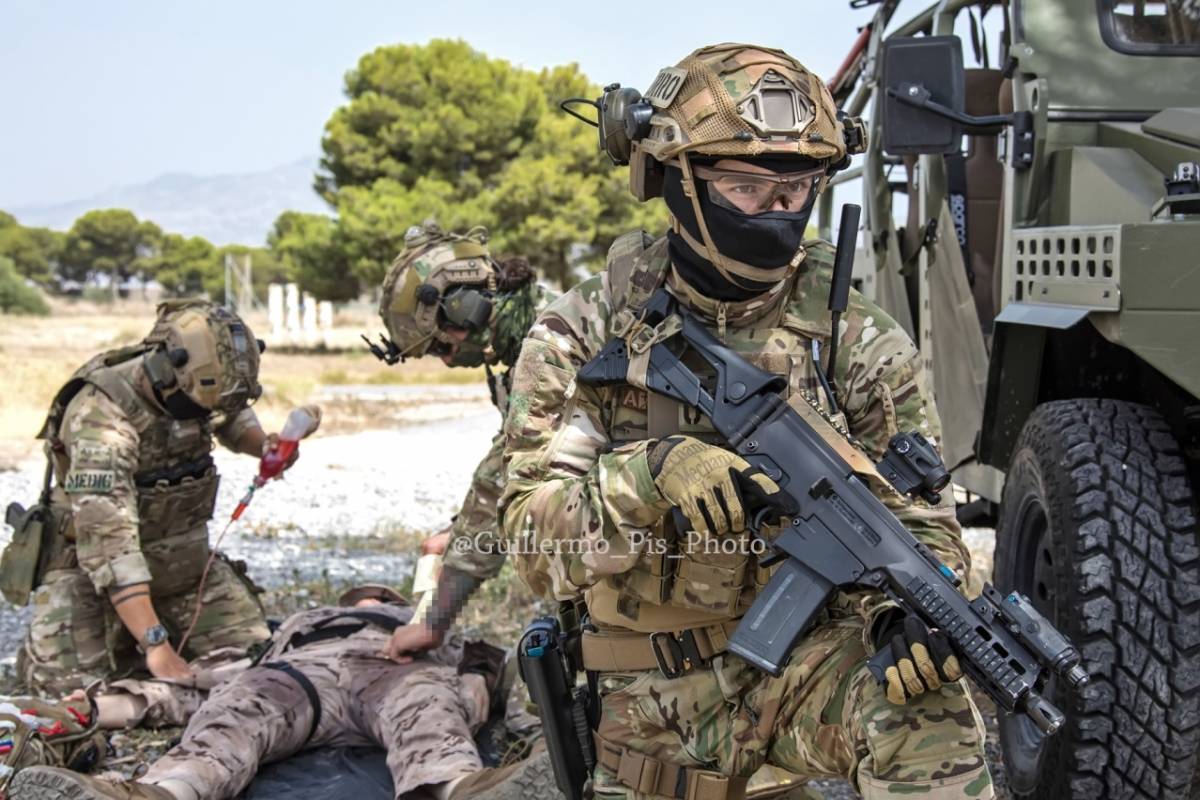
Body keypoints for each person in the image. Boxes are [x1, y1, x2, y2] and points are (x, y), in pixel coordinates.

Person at [499, 44, 992, 799]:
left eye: (796, 190)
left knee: (928, 714)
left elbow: (926, 525)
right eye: (746, 187)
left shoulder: (855, 338)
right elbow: (530, 548)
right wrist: (652, 474)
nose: (776, 212)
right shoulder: (586, 330)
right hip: (647, 692)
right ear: (676, 180)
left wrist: (906, 619)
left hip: (805, 671)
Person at [15, 299, 320, 694]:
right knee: (75, 692)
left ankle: (142, 636)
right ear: (167, 370)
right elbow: (112, 547)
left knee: (257, 661)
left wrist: (264, 446)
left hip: (183, 569)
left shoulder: (199, 387)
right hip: (90, 578)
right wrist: (155, 644)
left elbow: (229, 415)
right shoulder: (102, 416)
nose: (204, 413)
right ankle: (117, 638)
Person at [12, 585, 555, 800]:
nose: (369, 599)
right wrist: (99, 707)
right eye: (363, 596)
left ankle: (465, 790)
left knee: (427, 710)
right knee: (235, 713)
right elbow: (206, 684)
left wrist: (481, 701)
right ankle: (162, 794)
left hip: (394, 669)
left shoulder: (422, 623)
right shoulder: (298, 626)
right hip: (298, 675)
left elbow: (486, 679)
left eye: (379, 596)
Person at [363, 222, 555, 662]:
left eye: (440, 347)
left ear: (466, 308)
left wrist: (432, 624)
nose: (448, 362)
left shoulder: (551, 345)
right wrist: (457, 530)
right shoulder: (533, 334)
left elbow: (506, 477)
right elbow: (510, 453)